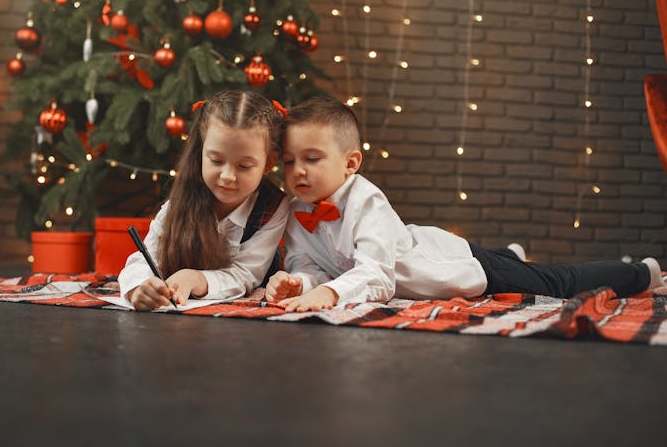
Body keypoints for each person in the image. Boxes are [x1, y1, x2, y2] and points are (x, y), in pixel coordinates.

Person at [266, 96, 666, 312]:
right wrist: (299, 282)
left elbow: (378, 278)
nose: (297, 171)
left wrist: (332, 294)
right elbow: (310, 265)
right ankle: (509, 254)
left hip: (456, 266)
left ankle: (643, 273)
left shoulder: (365, 200)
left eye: (312, 159)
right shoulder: (297, 211)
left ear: (350, 163)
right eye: (289, 162)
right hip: (430, 249)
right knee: (511, 262)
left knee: (553, 282)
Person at [118, 90, 289, 311]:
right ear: (201, 152)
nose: (228, 176)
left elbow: (246, 274)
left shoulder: (273, 207)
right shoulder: (180, 201)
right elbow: (143, 260)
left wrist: (195, 279)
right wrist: (139, 288)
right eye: (216, 160)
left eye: (244, 166)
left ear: (268, 163)